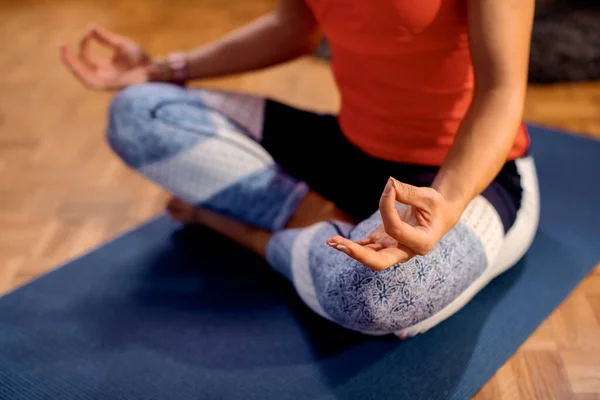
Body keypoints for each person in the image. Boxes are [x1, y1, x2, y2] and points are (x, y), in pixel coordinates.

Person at [59, 0, 539, 337]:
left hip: (467, 178)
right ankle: (318, 222)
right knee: (139, 112)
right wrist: (164, 70)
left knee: (379, 297)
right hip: (348, 149)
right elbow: (295, 28)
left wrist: (449, 202)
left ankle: (248, 234)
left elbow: (501, 91)